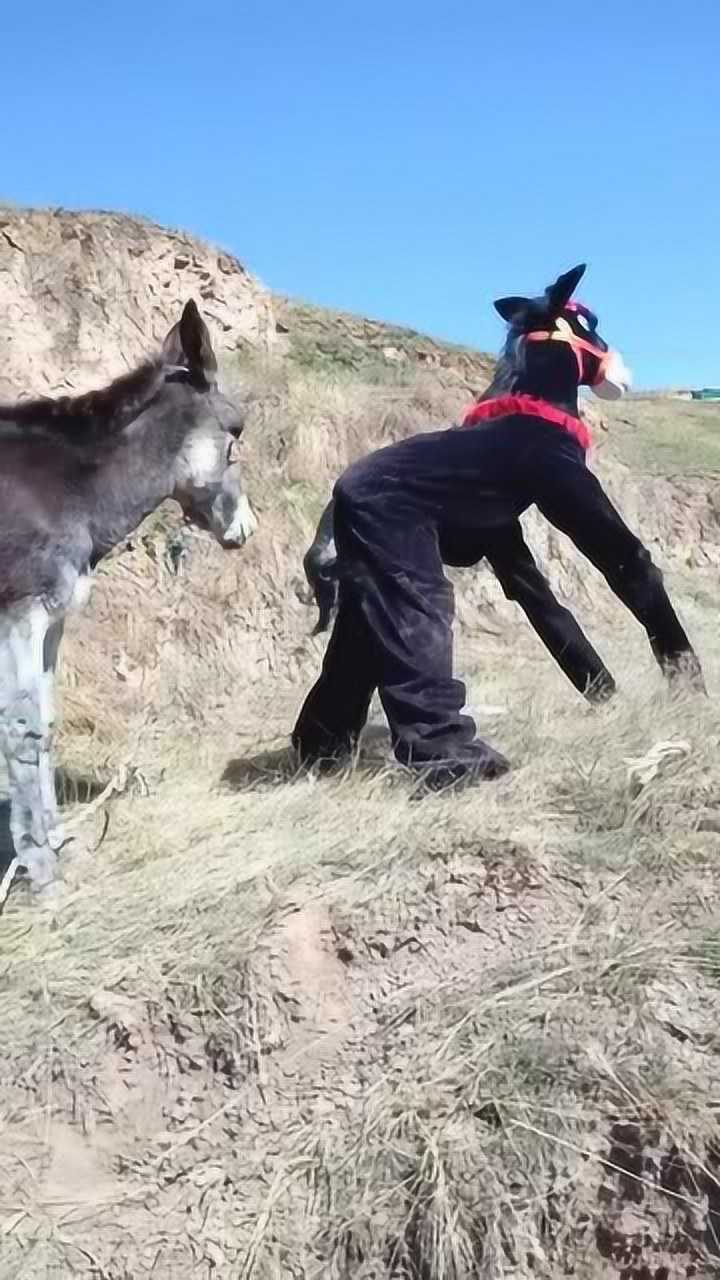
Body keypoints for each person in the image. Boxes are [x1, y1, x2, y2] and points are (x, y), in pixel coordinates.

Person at [292, 265, 704, 789]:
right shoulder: (541, 448)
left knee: (372, 623)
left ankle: (321, 747)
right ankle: (443, 755)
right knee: (416, 607)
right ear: (570, 340)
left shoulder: (494, 464)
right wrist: (686, 676)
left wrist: (606, 700)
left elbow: (539, 602)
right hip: (386, 497)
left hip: (375, 490)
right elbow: (627, 564)